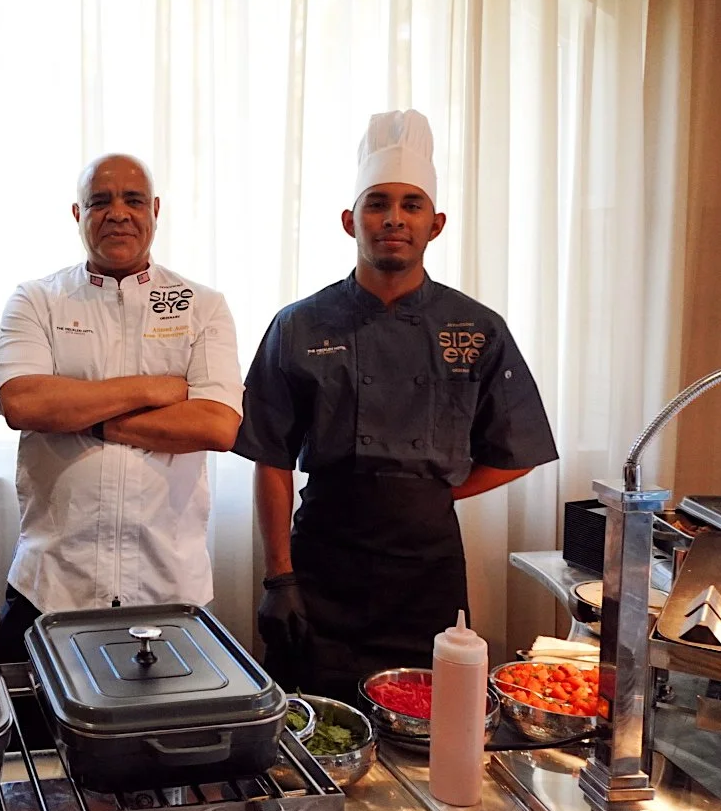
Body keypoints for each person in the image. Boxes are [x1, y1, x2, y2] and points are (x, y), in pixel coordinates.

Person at [235, 109, 558, 699]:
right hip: (322, 562)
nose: (393, 219)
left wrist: (425, 491)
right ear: (348, 220)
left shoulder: (476, 326)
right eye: (377, 203)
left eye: (411, 205)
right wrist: (278, 577)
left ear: (435, 225)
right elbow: (271, 456)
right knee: (312, 725)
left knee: (429, 719)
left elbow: (519, 448)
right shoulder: (298, 325)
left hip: (426, 572)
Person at [0, 154, 244, 663]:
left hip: (171, 588)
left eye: (132, 200)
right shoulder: (36, 300)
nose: (118, 213)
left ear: (154, 209)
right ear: (77, 213)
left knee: (165, 742)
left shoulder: (201, 304)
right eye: (100, 201)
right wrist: (156, 388)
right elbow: (23, 402)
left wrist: (84, 415)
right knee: (31, 739)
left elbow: (216, 425)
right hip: (51, 584)